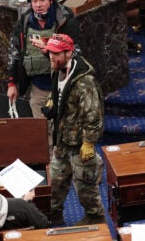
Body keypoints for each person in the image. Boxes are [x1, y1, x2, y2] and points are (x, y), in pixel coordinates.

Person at [6, 0, 80, 147]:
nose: (38, 5)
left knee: (64, 132)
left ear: (51, 0)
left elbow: (76, 55)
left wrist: (48, 50)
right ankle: (50, 169)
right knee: (42, 133)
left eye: (42, 0)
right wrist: (12, 83)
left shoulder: (66, 21)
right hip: (38, 88)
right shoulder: (24, 21)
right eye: (34, 1)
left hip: (62, 87)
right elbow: (15, 54)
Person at [44, 34, 106, 226]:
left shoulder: (84, 82)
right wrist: (54, 102)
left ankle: (96, 220)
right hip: (62, 142)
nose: (52, 57)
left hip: (80, 146)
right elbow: (61, 93)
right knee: (54, 184)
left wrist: (89, 143)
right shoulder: (59, 69)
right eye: (50, 53)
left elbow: (93, 116)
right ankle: (54, 217)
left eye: (56, 53)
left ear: (69, 52)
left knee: (85, 189)